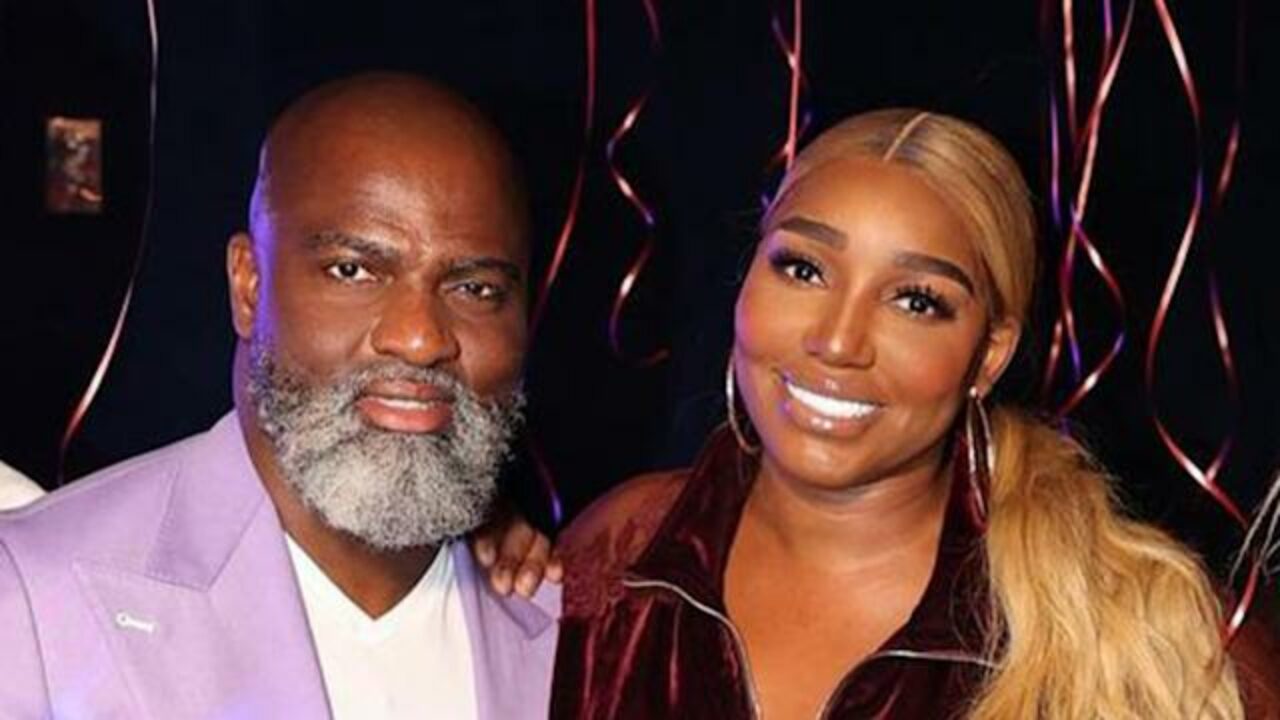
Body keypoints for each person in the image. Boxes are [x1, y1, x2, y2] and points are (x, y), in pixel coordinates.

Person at [546, 109, 1280, 718]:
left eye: (916, 301)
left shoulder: (1142, 628)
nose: (838, 341)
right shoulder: (619, 554)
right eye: (803, 268)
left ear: (988, 356)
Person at [0, 73, 558, 719]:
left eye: (476, 289)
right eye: (353, 270)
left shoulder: (582, 631)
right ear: (248, 285)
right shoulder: (36, 594)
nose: (419, 339)